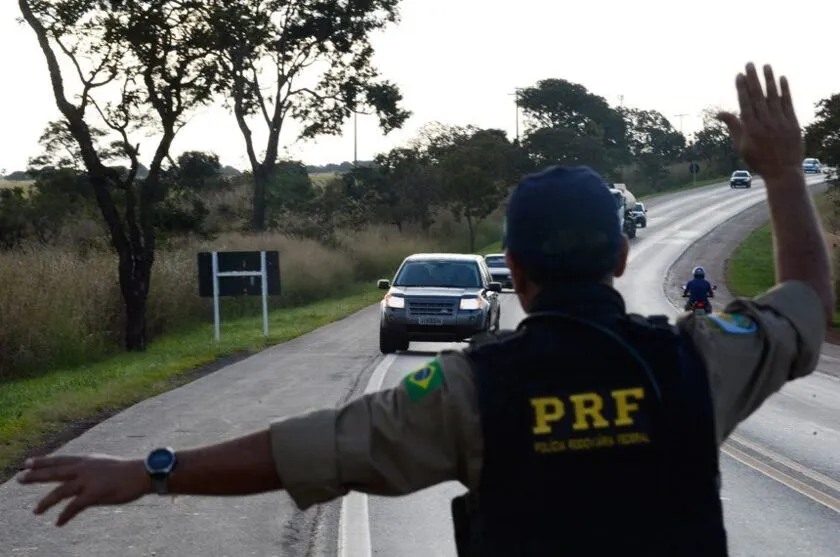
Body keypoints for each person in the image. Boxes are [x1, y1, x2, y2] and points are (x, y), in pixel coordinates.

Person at [17, 63, 832, 555]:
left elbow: (309, 450)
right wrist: (785, 173)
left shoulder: (466, 392)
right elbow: (800, 306)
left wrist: (152, 471)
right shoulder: (698, 359)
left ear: (510, 269)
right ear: (622, 257)